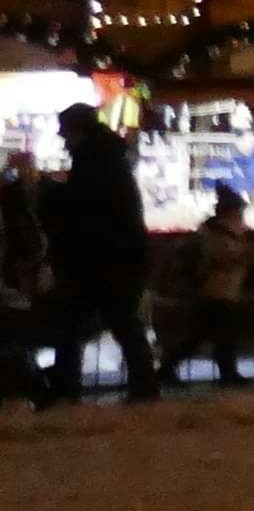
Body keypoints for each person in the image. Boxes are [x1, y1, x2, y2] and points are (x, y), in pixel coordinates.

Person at [40, 104, 161, 404]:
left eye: (66, 132)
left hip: (102, 259)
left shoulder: (94, 161)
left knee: (83, 324)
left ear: (78, 131)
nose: (63, 139)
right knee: (117, 323)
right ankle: (142, 387)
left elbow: (83, 207)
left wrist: (46, 190)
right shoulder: (107, 158)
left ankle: (67, 388)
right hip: (117, 256)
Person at [155, 184, 254, 388]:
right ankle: (227, 375)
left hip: (219, 292)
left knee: (200, 336)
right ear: (230, 212)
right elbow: (224, 260)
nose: (241, 215)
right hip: (216, 292)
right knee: (221, 336)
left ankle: (166, 370)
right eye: (239, 211)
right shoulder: (218, 234)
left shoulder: (226, 233)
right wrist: (248, 255)